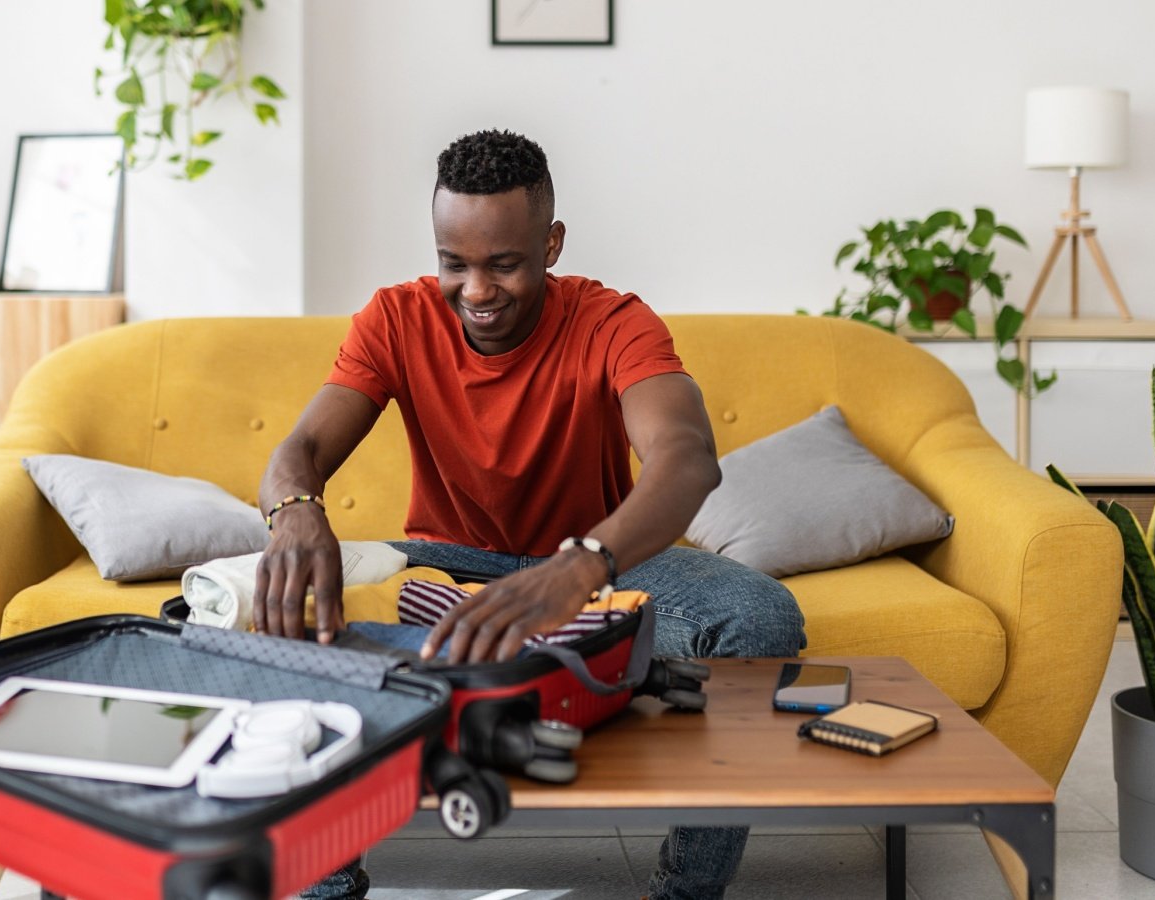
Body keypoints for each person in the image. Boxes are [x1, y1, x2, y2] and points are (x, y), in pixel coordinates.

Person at [253, 129, 805, 900]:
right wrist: (297, 508)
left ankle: (685, 894)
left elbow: (687, 457)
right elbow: (299, 450)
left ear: (550, 244)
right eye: (455, 263)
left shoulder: (615, 322)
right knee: (276, 612)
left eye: (503, 264)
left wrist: (578, 568)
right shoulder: (394, 318)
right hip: (445, 564)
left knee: (762, 616)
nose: (476, 291)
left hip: (601, 567)